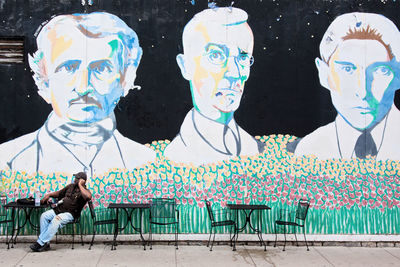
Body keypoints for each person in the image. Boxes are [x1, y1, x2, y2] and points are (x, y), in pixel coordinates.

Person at [0, 12, 156, 176]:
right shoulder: (7, 161)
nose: (83, 87)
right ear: (44, 82)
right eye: (68, 68)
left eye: (101, 68)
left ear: (126, 79)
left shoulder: (147, 163)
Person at [290, 12, 400, 160]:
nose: (363, 92)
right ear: (324, 74)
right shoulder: (310, 150)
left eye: (380, 70)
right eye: (347, 69)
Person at [164, 7, 264, 166]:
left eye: (243, 58)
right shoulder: (177, 155)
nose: (234, 73)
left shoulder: (252, 147)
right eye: (216, 56)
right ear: (186, 66)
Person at [30, 172, 92, 252]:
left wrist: (80, 185)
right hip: (59, 209)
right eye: (75, 178)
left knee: (56, 219)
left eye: (77, 178)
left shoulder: (85, 191)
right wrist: (49, 195)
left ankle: (40, 242)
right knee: (44, 216)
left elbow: (88, 196)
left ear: (82, 180)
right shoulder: (70, 186)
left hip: (70, 214)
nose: (75, 179)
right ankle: (46, 243)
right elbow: (59, 193)